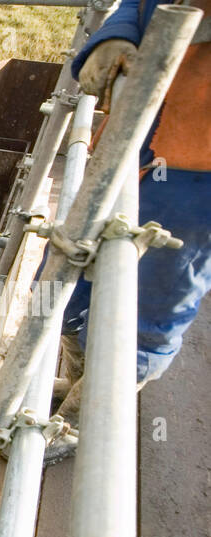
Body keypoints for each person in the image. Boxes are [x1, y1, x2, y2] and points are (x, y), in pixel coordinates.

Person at [56, 0, 211, 426]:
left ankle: (82, 422)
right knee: (64, 289)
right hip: (130, 146)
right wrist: (116, 35)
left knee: (144, 313)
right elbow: (146, 4)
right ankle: (79, 381)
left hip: (197, 188)